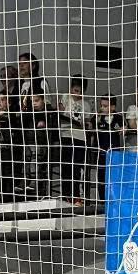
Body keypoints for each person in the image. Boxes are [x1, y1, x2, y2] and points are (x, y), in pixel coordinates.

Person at [58, 76, 92, 205]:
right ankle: (66, 195)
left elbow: (87, 122)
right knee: (66, 166)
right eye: (75, 90)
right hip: (66, 135)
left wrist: (88, 125)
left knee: (76, 168)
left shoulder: (86, 105)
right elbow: (59, 113)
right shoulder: (66, 97)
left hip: (80, 138)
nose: (77, 93)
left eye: (80, 91)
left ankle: (76, 195)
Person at [93, 96, 124, 203]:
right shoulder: (97, 117)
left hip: (114, 153)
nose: (102, 108)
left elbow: (125, 127)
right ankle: (102, 202)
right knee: (101, 177)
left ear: (113, 107)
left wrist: (124, 129)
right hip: (101, 152)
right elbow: (89, 127)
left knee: (114, 177)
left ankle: (114, 201)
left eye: (105, 106)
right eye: (101, 105)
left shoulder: (119, 117)